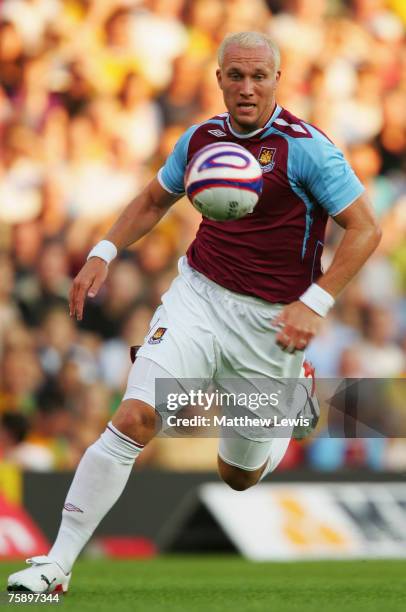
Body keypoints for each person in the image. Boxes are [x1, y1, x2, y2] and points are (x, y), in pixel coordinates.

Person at [8, 31, 381, 594]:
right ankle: (54, 567)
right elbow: (155, 199)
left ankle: (291, 401)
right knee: (133, 417)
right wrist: (102, 252)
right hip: (198, 298)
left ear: (278, 80)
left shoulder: (308, 148)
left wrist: (316, 300)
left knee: (236, 477)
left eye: (259, 76)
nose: (247, 88)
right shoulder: (201, 138)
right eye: (236, 75)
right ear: (220, 80)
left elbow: (366, 228)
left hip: (272, 325)